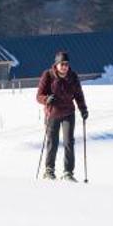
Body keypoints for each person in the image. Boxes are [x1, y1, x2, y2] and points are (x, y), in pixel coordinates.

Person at [35, 50, 88, 182]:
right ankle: (49, 170)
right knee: (52, 142)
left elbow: (78, 95)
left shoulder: (73, 76)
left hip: (68, 113)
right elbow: (38, 96)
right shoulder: (48, 75)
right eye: (62, 64)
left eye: (66, 64)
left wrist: (83, 109)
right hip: (52, 113)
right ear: (56, 64)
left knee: (69, 142)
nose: (64, 66)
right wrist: (46, 99)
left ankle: (68, 172)